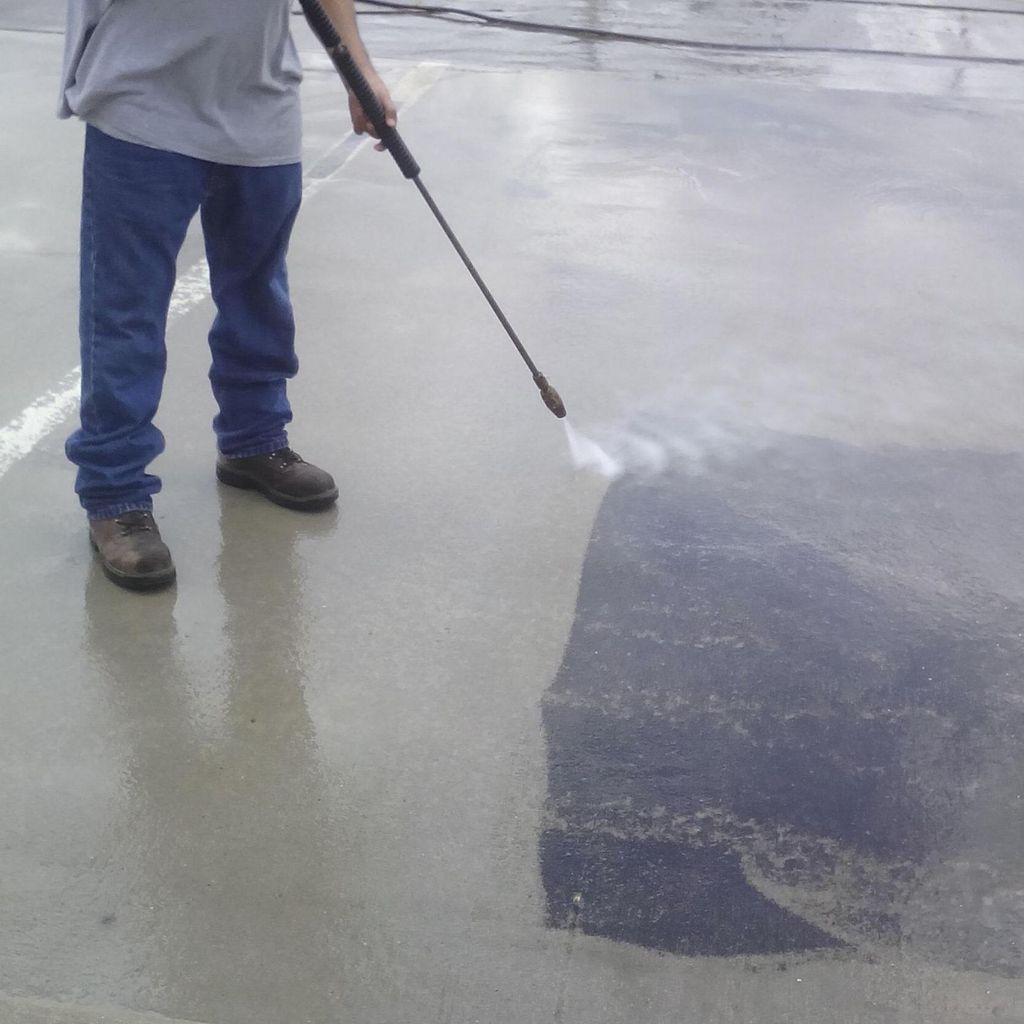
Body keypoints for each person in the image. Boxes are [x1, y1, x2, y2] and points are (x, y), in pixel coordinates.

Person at [60, 0, 396, 591]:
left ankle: (254, 441)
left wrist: (358, 69)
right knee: (126, 310)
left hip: (260, 103)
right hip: (141, 100)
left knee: (258, 293)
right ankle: (116, 493)